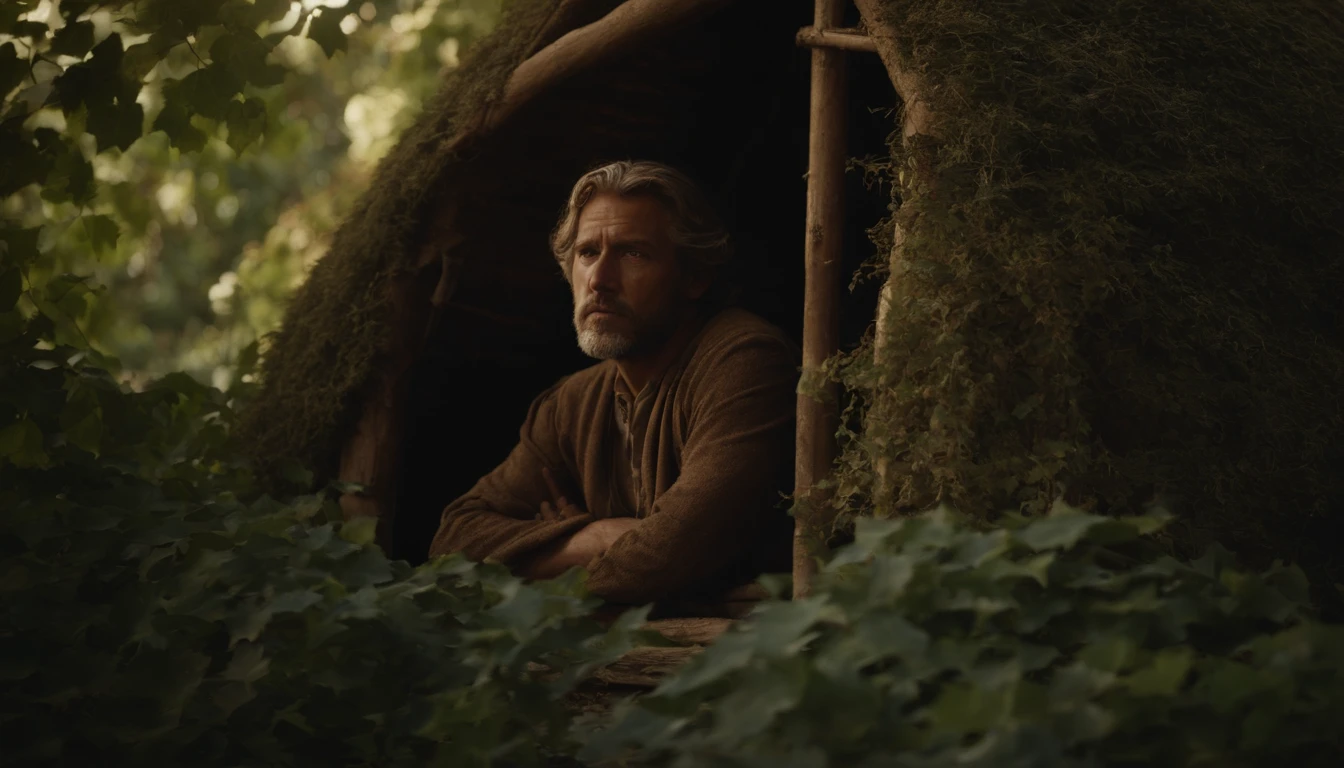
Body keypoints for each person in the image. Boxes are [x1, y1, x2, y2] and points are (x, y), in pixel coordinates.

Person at [428, 160, 798, 617]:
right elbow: (452, 543)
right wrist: (594, 537)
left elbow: (669, 552)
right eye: (587, 253)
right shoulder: (571, 402)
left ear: (693, 276)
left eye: (632, 253)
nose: (600, 281)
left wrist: (537, 563)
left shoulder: (743, 360)